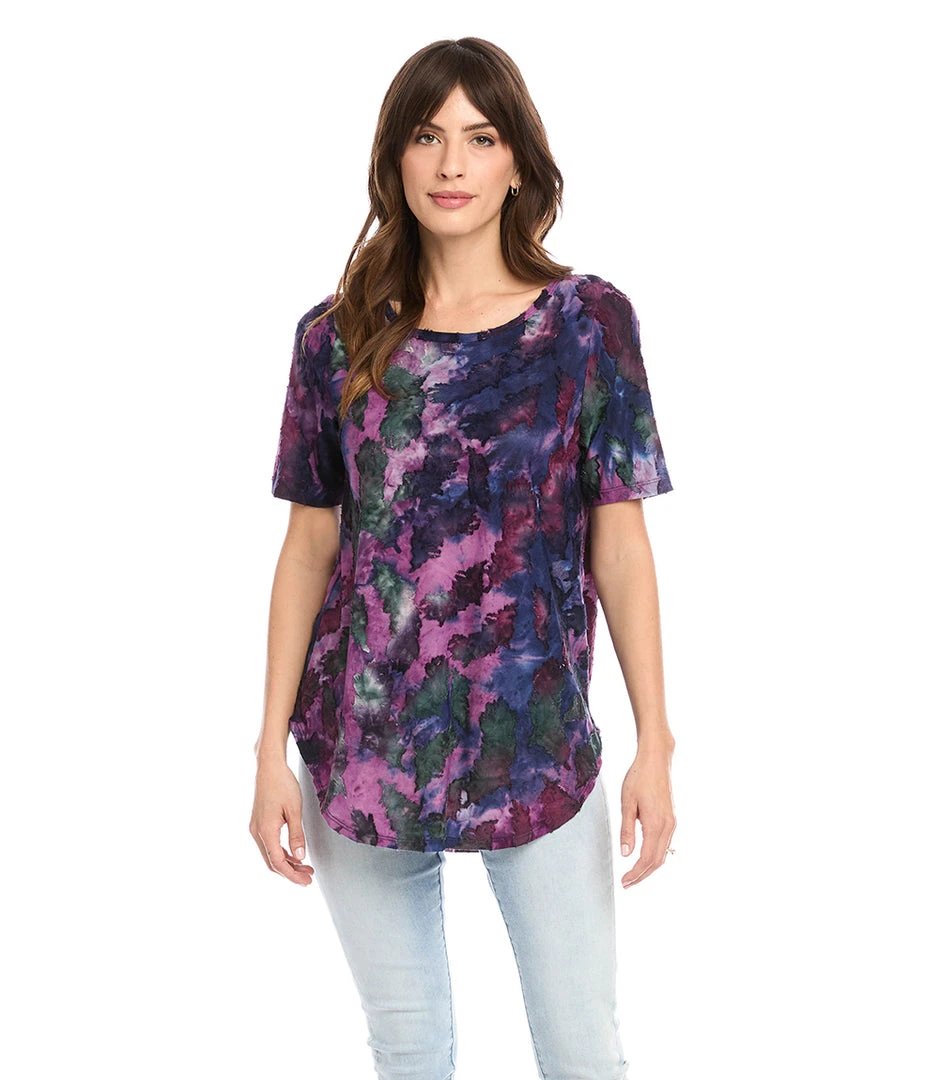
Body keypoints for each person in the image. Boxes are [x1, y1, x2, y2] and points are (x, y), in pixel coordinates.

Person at [249, 36, 677, 1080]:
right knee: (408, 1049)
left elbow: (621, 549)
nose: (451, 164)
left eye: (480, 139)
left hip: (536, 749)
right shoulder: (334, 340)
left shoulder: (587, 326)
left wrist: (656, 742)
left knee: (581, 1049)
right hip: (361, 751)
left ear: (517, 161)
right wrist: (266, 750)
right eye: (426, 137)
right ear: (393, 159)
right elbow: (309, 550)